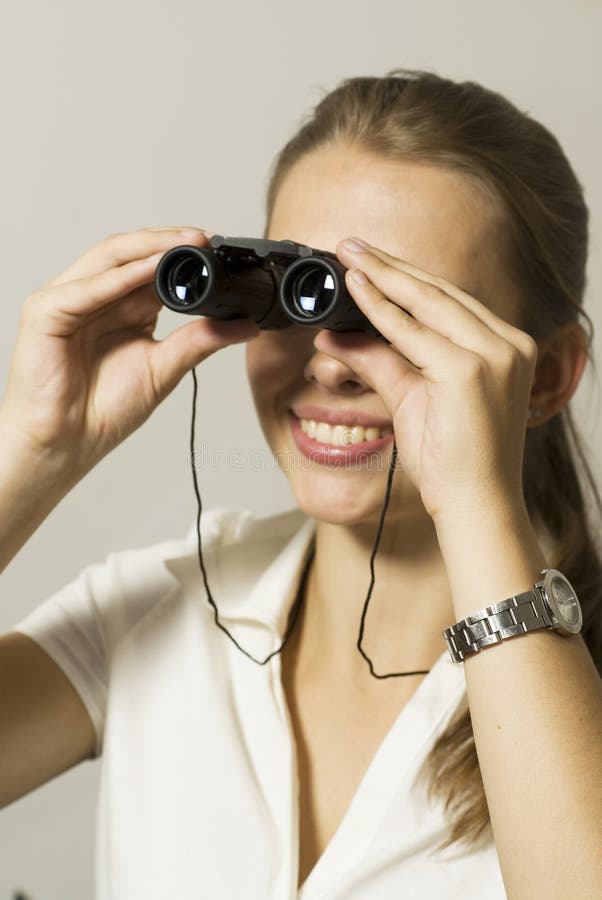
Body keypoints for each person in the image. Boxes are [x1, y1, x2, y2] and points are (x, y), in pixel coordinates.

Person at [1, 69, 601, 899]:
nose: (328, 360)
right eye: (300, 294)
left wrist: (475, 501)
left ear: (547, 376)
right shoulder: (159, 614)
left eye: (399, 316)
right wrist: (31, 451)